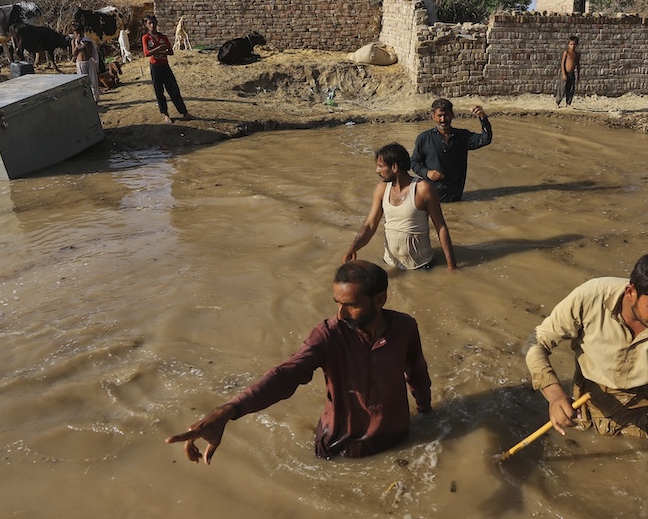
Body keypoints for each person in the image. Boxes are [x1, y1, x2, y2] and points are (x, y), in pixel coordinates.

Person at [166, 260, 432, 463]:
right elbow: (285, 375)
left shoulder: (405, 327)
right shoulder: (328, 335)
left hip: (397, 436)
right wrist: (228, 411)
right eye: (337, 303)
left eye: (350, 305)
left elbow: (416, 371)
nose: (340, 314)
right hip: (341, 447)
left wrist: (427, 413)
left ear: (380, 299)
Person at [523, 250, 648, 487]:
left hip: (642, 406)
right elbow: (536, 343)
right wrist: (555, 396)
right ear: (631, 293)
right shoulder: (590, 296)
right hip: (585, 399)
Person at [344, 143, 456, 271]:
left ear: (394, 167)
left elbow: (440, 227)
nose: (377, 171)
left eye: (380, 166)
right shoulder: (382, 189)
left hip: (421, 265)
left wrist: (451, 265)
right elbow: (370, 225)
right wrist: (353, 247)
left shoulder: (422, 189)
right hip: (390, 263)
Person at [410, 98, 492, 203]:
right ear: (433, 116)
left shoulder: (462, 137)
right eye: (439, 116)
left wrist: (483, 118)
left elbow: (485, 139)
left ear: (452, 115)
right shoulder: (424, 138)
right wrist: (427, 173)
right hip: (431, 198)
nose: (443, 119)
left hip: (455, 197)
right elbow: (414, 162)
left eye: (446, 115)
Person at [141, 14, 189, 123]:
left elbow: (170, 51)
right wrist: (160, 49)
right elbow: (146, 53)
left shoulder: (163, 37)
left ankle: (184, 112)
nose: (152, 25)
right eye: (150, 23)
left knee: (173, 89)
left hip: (165, 65)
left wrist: (160, 50)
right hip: (155, 66)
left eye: (154, 23)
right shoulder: (146, 38)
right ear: (146, 25)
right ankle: (165, 114)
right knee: (159, 91)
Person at [71, 24, 100, 103]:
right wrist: (78, 45)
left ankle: (95, 100)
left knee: (93, 81)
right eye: (77, 33)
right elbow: (74, 53)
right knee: (83, 82)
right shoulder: (74, 41)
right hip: (80, 64)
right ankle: (86, 100)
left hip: (88, 63)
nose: (79, 35)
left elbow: (90, 54)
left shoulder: (87, 41)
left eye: (80, 33)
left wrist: (85, 45)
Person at [555, 35, 580, 108]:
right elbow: (562, 63)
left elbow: (578, 65)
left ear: (577, 45)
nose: (572, 46)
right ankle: (557, 102)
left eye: (574, 44)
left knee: (571, 89)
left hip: (572, 74)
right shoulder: (566, 53)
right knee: (562, 88)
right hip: (565, 73)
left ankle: (568, 103)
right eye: (571, 44)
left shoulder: (577, 54)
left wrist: (578, 76)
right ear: (568, 44)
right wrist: (564, 74)